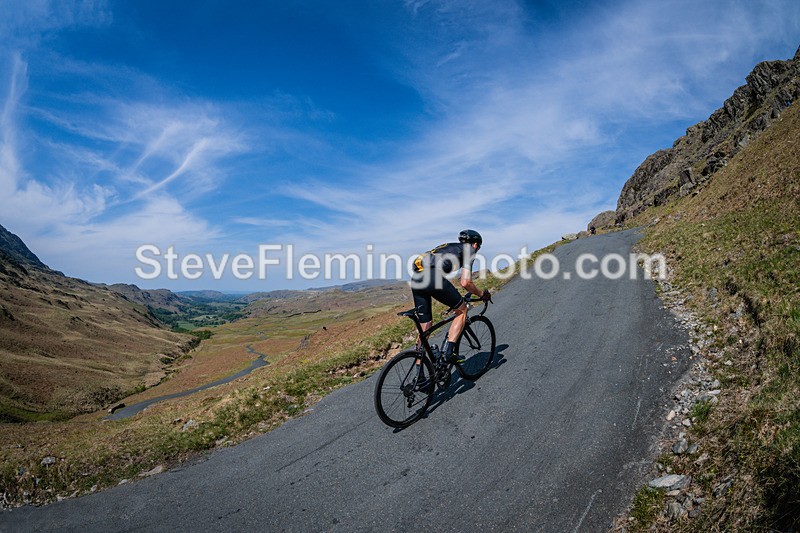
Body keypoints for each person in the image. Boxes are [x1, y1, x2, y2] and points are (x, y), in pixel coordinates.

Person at [410, 229, 491, 362]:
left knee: (426, 326)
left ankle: (420, 372)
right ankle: (449, 352)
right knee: (462, 310)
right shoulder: (469, 250)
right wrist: (482, 294)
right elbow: (466, 282)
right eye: (478, 247)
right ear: (475, 244)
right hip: (432, 277)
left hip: (416, 279)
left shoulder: (449, 247)